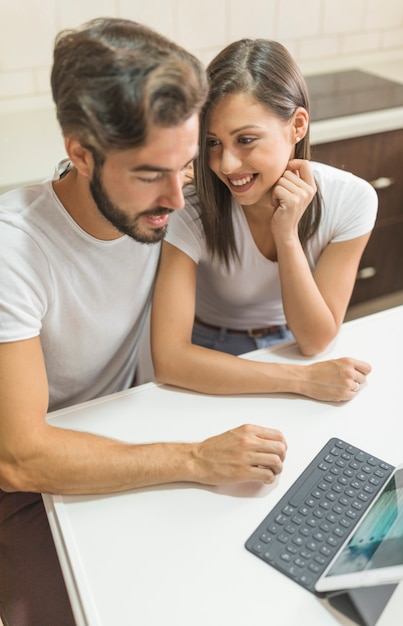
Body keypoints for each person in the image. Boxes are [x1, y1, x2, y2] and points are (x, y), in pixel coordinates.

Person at [0, 21, 288, 626]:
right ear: (80, 153)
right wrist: (191, 459)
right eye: (150, 173)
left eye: (185, 165)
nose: (179, 201)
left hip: (126, 428)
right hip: (25, 484)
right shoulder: (13, 252)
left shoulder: (156, 206)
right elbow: (20, 457)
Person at [151, 38, 376, 399]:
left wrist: (286, 235)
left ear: (297, 125)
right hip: (206, 355)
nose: (226, 165)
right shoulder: (190, 205)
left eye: (246, 140)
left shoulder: (352, 199)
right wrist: (301, 381)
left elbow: (315, 340)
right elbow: (171, 359)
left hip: (291, 346)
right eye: (212, 143)